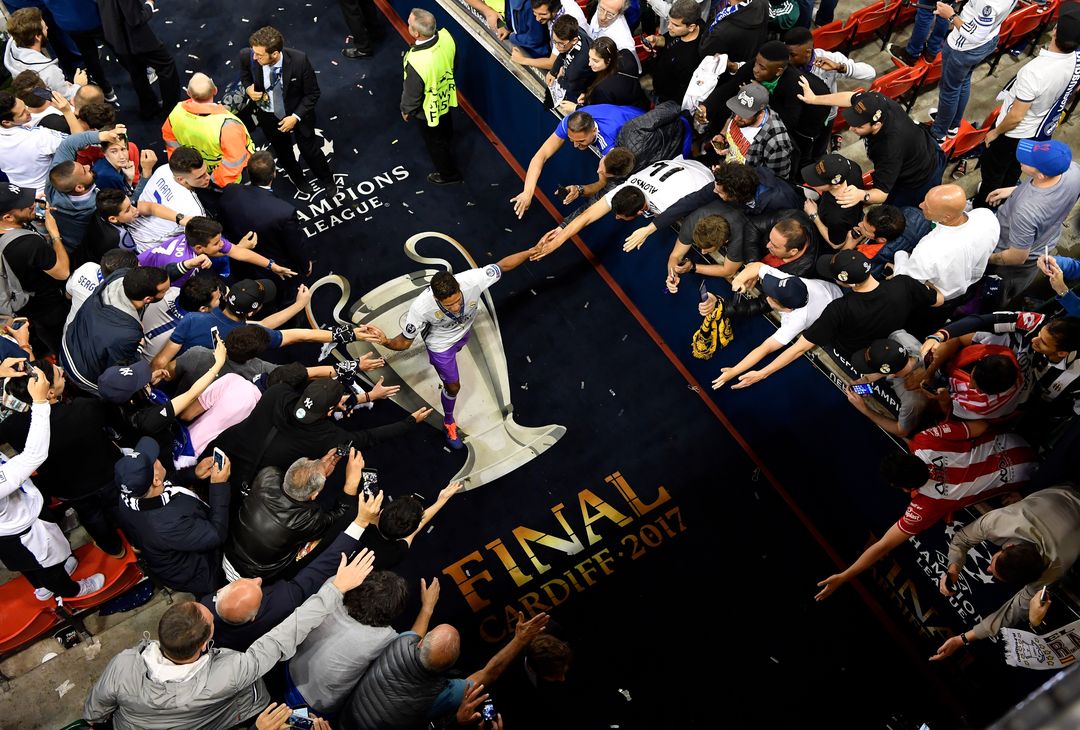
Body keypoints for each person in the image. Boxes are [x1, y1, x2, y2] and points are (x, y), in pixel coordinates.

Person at [83, 547, 375, 729]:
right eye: (211, 616)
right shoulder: (229, 674)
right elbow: (281, 637)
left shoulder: (124, 663)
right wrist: (335, 588)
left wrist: (94, 722)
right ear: (204, 644)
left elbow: (97, 707)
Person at [815, 414, 1037, 602]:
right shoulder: (926, 439)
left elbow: (883, 546)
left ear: (905, 488)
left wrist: (845, 576)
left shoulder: (927, 505)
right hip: (1019, 442)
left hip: (1030, 476)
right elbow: (981, 426)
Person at [362, 246, 537, 447]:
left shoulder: (472, 279)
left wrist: (532, 250)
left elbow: (502, 266)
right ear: (436, 299)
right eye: (448, 305)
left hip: (463, 333)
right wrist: (385, 341)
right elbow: (404, 342)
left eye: (457, 301)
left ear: (459, 288)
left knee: (461, 352)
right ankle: (449, 421)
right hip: (440, 346)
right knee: (453, 386)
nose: (455, 307)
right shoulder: (421, 308)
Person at [729, 250, 943, 389]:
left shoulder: (839, 309)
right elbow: (939, 300)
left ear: (847, 283)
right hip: (891, 343)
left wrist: (763, 374)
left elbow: (799, 349)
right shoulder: (903, 284)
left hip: (857, 352)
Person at [205, 499, 379, 650]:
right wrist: (361, 523)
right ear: (253, 618)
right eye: (259, 589)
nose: (258, 579)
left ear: (220, 592)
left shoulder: (203, 606)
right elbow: (320, 568)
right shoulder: (283, 602)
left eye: (248, 582)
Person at [930, 486, 1080, 661]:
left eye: (992, 566)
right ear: (1009, 547)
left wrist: (960, 640)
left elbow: (1011, 613)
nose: (987, 569)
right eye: (993, 565)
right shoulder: (998, 522)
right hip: (1061, 490)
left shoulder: (1051, 570)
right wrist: (953, 569)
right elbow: (962, 539)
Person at [211, 377, 429, 494]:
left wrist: (366, 396)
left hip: (218, 460)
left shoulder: (276, 393)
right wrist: (409, 422)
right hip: (252, 487)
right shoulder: (328, 438)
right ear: (329, 411)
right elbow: (368, 437)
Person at [338, 612, 551, 730]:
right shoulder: (443, 693)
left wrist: (427, 607)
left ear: (420, 643)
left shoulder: (399, 643)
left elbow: (416, 631)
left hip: (342, 721)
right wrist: (520, 640)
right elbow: (488, 674)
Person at [0, 363, 106, 601]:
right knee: (44, 568)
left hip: (19, 510)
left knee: (39, 563)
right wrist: (39, 403)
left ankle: (49, 581)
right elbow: (34, 456)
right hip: (20, 529)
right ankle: (72, 591)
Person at [288, 571, 440, 715]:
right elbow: (409, 648)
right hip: (317, 705)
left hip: (291, 666)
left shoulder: (334, 588)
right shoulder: (383, 638)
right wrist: (427, 608)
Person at [974, 8, 1080, 207]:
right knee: (1015, 168)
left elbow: (1016, 116)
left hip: (1013, 133)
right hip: (1038, 130)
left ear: (1055, 31)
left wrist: (995, 132)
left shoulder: (1034, 72)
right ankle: (1003, 198)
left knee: (993, 174)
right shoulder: (1076, 60)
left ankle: (983, 207)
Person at [224, 447, 367, 581]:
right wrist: (351, 482)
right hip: (251, 578)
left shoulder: (267, 475)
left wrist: (316, 468)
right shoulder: (309, 519)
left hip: (229, 551)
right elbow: (341, 516)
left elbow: (295, 478)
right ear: (315, 494)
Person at [534, 156, 715, 260]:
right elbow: (587, 216)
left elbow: (676, 213)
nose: (617, 218)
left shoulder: (665, 202)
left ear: (639, 212)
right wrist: (558, 238)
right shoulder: (626, 188)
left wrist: (647, 230)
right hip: (685, 164)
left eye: (621, 216)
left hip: (705, 179)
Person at [113, 436, 231, 594]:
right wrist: (219, 485)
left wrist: (193, 473)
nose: (157, 458)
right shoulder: (167, 525)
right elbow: (216, 534)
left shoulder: (128, 496)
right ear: (155, 480)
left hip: (173, 550)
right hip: (201, 572)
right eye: (154, 460)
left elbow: (167, 481)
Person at [797, 85, 946, 209]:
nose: (851, 129)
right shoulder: (876, 103)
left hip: (918, 179)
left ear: (877, 125)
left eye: (859, 126)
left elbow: (882, 193)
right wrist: (815, 99)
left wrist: (861, 195)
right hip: (921, 145)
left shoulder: (889, 149)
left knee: (895, 212)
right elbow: (851, 98)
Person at [709, 263, 841, 388]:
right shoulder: (789, 283)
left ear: (787, 309)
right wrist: (738, 280)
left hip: (835, 317)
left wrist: (745, 372)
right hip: (831, 291)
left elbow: (769, 348)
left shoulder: (797, 321)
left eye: (771, 296)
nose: (767, 295)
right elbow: (758, 266)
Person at [626, 160, 801, 252]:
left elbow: (791, 230)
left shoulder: (780, 199)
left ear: (734, 195)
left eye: (719, 192)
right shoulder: (727, 182)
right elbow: (691, 201)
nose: (714, 192)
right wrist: (650, 228)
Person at [984, 140, 1080, 308]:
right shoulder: (1073, 170)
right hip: (1045, 238)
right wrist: (1014, 191)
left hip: (1016, 260)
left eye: (1027, 161)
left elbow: (1016, 257)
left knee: (997, 293)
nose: (1021, 159)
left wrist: (985, 258)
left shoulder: (1026, 211)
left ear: (1041, 175)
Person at [240, 26, 333, 192]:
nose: (255, 57)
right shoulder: (248, 56)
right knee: (283, 152)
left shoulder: (299, 61)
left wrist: (295, 117)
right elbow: (245, 75)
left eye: (260, 55)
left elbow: (312, 94)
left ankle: (327, 179)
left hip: (297, 114)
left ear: (274, 54)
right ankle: (298, 179)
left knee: (310, 150)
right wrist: (248, 89)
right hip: (268, 116)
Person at [511, 104, 644, 218]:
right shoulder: (570, 121)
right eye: (571, 140)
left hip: (642, 129)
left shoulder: (609, 144)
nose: (575, 145)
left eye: (581, 141)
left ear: (594, 130)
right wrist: (527, 192)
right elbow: (541, 155)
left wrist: (580, 190)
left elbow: (602, 184)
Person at [892, 184, 998, 316]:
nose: (921, 205)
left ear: (946, 218)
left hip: (937, 298)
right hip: (971, 285)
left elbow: (905, 281)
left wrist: (900, 255)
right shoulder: (986, 217)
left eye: (927, 206)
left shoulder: (929, 250)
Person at [61, 266, 170, 393]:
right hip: (82, 373)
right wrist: (139, 348)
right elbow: (119, 370)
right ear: (148, 299)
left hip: (68, 343)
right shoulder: (128, 334)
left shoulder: (118, 276)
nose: (167, 292)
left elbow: (153, 278)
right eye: (164, 292)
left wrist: (187, 265)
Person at [927, 0, 1018, 144]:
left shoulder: (988, 2)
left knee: (948, 90)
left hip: (964, 47)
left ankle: (938, 133)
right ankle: (952, 125)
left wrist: (951, 16)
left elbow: (974, 35)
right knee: (962, 82)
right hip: (988, 38)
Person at [219, 151, 313, 281]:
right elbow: (295, 245)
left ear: (248, 173)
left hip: (241, 264)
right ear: (274, 174)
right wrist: (305, 265)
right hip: (276, 269)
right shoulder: (284, 212)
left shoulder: (230, 190)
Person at [0, 185, 71, 356]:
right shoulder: (28, 244)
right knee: (60, 338)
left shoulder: (15, 233)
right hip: (46, 305)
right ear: (8, 216)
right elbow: (63, 272)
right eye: (25, 205)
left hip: (19, 302)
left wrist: (31, 218)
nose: (32, 204)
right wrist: (54, 234)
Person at [138, 216, 294, 288]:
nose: (222, 245)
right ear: (199, 248)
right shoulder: (182, 267)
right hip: (148, 281)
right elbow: (163, 290)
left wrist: (272, 266)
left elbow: (238, 252)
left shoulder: (198, 237)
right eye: (216, 243)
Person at [402, 10, 462, 186]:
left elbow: (412, 94)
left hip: (428, 110)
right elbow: (455, 63)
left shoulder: (416, 61)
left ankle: (449, 175)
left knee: (435, 142)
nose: (407, 26)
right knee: (446, 127)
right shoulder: (446, 37)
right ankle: (448, 141)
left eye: (409, 24)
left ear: (416, 33)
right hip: (446, 96)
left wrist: (407, 110)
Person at [162, 73, 254, 188]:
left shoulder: (176, 114)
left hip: (196, 174)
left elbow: (173, 148)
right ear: (215, 90)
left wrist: (187, 173)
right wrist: (213, 181)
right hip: (226, 182)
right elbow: (235, 162)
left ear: (188, 93)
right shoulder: (227, 125)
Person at [95, 0, 181, 119]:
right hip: (135, 39)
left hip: (115, 34)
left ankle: (149, 108)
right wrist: (149, 5)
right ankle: (172, 111)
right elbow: (135, 19)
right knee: (166, 65)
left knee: (136, 71)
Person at [784, 26, 875, 131]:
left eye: (792, 55)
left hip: (824, 116)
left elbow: (870, 73)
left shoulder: (830, 60)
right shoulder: (784, 61)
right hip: (797, 115)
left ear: (808, 52)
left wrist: (839, 67)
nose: (788, 59)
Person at [843, 334, 932, 438]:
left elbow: (902, 431)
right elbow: (892, 362)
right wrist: (864, 380)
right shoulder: (898, 337)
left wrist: (865, 410)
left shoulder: (913, 400)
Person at [127, 146, 213, 251]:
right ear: (181, 179)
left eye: (206, 171)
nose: (208, 177)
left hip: (128, 227)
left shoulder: (164, 169)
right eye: (200, 177)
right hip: (145, 247)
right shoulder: (194, 211)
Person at [707, 82, 795, 181]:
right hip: (726, 168)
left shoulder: (776, 142)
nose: (736, 118)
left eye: (743, 114)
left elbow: (775, 183)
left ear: (760, 112)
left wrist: (729, 178)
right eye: (736, 111)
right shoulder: (745, 108)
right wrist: (723, 135)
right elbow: (731, 119)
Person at [0, 90, 79, 193]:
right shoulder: (39, 137)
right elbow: (79, 141)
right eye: (22, 113)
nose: (28, 112)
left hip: (18, 192)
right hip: (47, 192)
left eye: (25, 106)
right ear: (6, 122)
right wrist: (67, 111)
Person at [3, 7, 85, 101]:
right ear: (37, 37)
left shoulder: (13, 43)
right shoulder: (49, 71)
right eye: (44, 27)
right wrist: (78, 85)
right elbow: (66, 97)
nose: (47, 27)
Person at [643, 0, 703, 105]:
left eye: (675, 25)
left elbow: (680, 95)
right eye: (669, 21)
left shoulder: (690, 59)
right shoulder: (686, 27)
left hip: (665, 99)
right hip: (658, 86)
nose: (669, 27)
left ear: (691, 27)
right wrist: (656, 40)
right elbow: (667, 39)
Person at [800, 153, 865, 250]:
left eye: (817, 181)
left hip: (834, 232)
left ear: (836, 185)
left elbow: (837, 244)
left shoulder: (836, 216)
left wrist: (814, 216)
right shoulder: (852, 168)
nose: (812, 183)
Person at [578, 37, 648, 110]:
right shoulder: (626, 53)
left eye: (595, 61)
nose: (589, 63)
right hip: (640, 99)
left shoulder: (604, 89)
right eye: (589, 57)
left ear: (608, 60)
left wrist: (578, 107)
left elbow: (599, 111)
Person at [545, 15, 593, 114]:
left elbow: (572, 87)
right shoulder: (576, 31)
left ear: (574, 40)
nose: (557, 47)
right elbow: (563, 52)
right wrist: (553, 71)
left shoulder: (577, 68)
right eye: (554, 42)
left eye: (561, 43)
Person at [699, 0, 770, 62]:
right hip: (750, 57)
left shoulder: (721, 31)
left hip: (725, 71)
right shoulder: (763, 3)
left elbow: (705, 53)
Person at [587, 0, 637, 65]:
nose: (602, 17)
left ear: (620, 13)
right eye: (601, 9)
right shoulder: (604, 6)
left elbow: (632, 67)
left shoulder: (624, 42)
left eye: (610, 15)